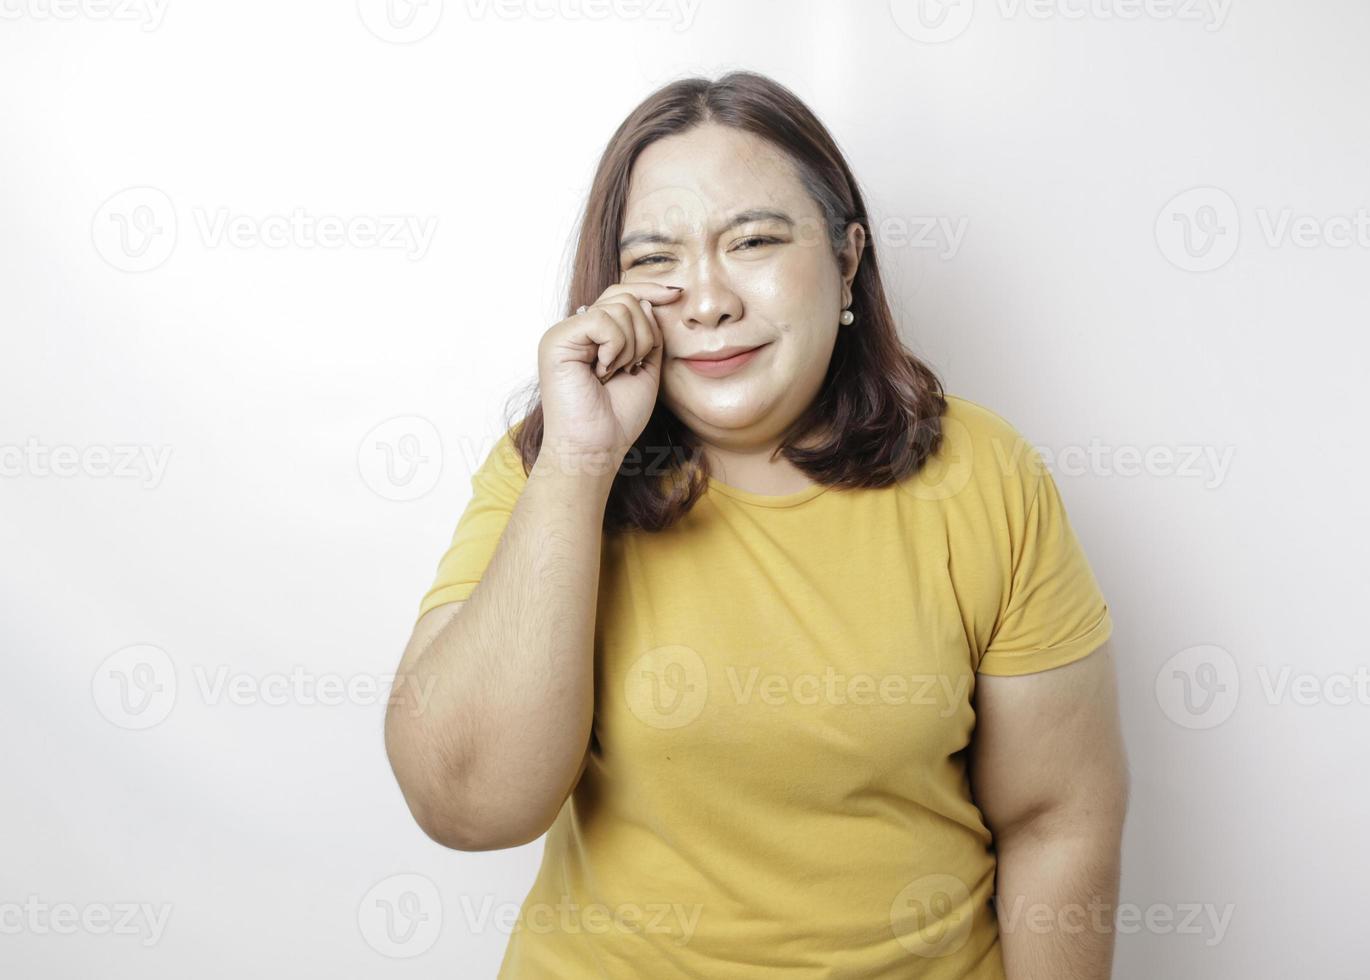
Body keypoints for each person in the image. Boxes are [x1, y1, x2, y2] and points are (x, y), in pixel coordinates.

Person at [384, 69, 1128, 979]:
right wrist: (581, 464)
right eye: (656, 259)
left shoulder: (984, 474)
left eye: (754, 241)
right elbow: (468, 807)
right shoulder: (548, 469)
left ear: (847, 258)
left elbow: (1056, 816)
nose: (707, 301)